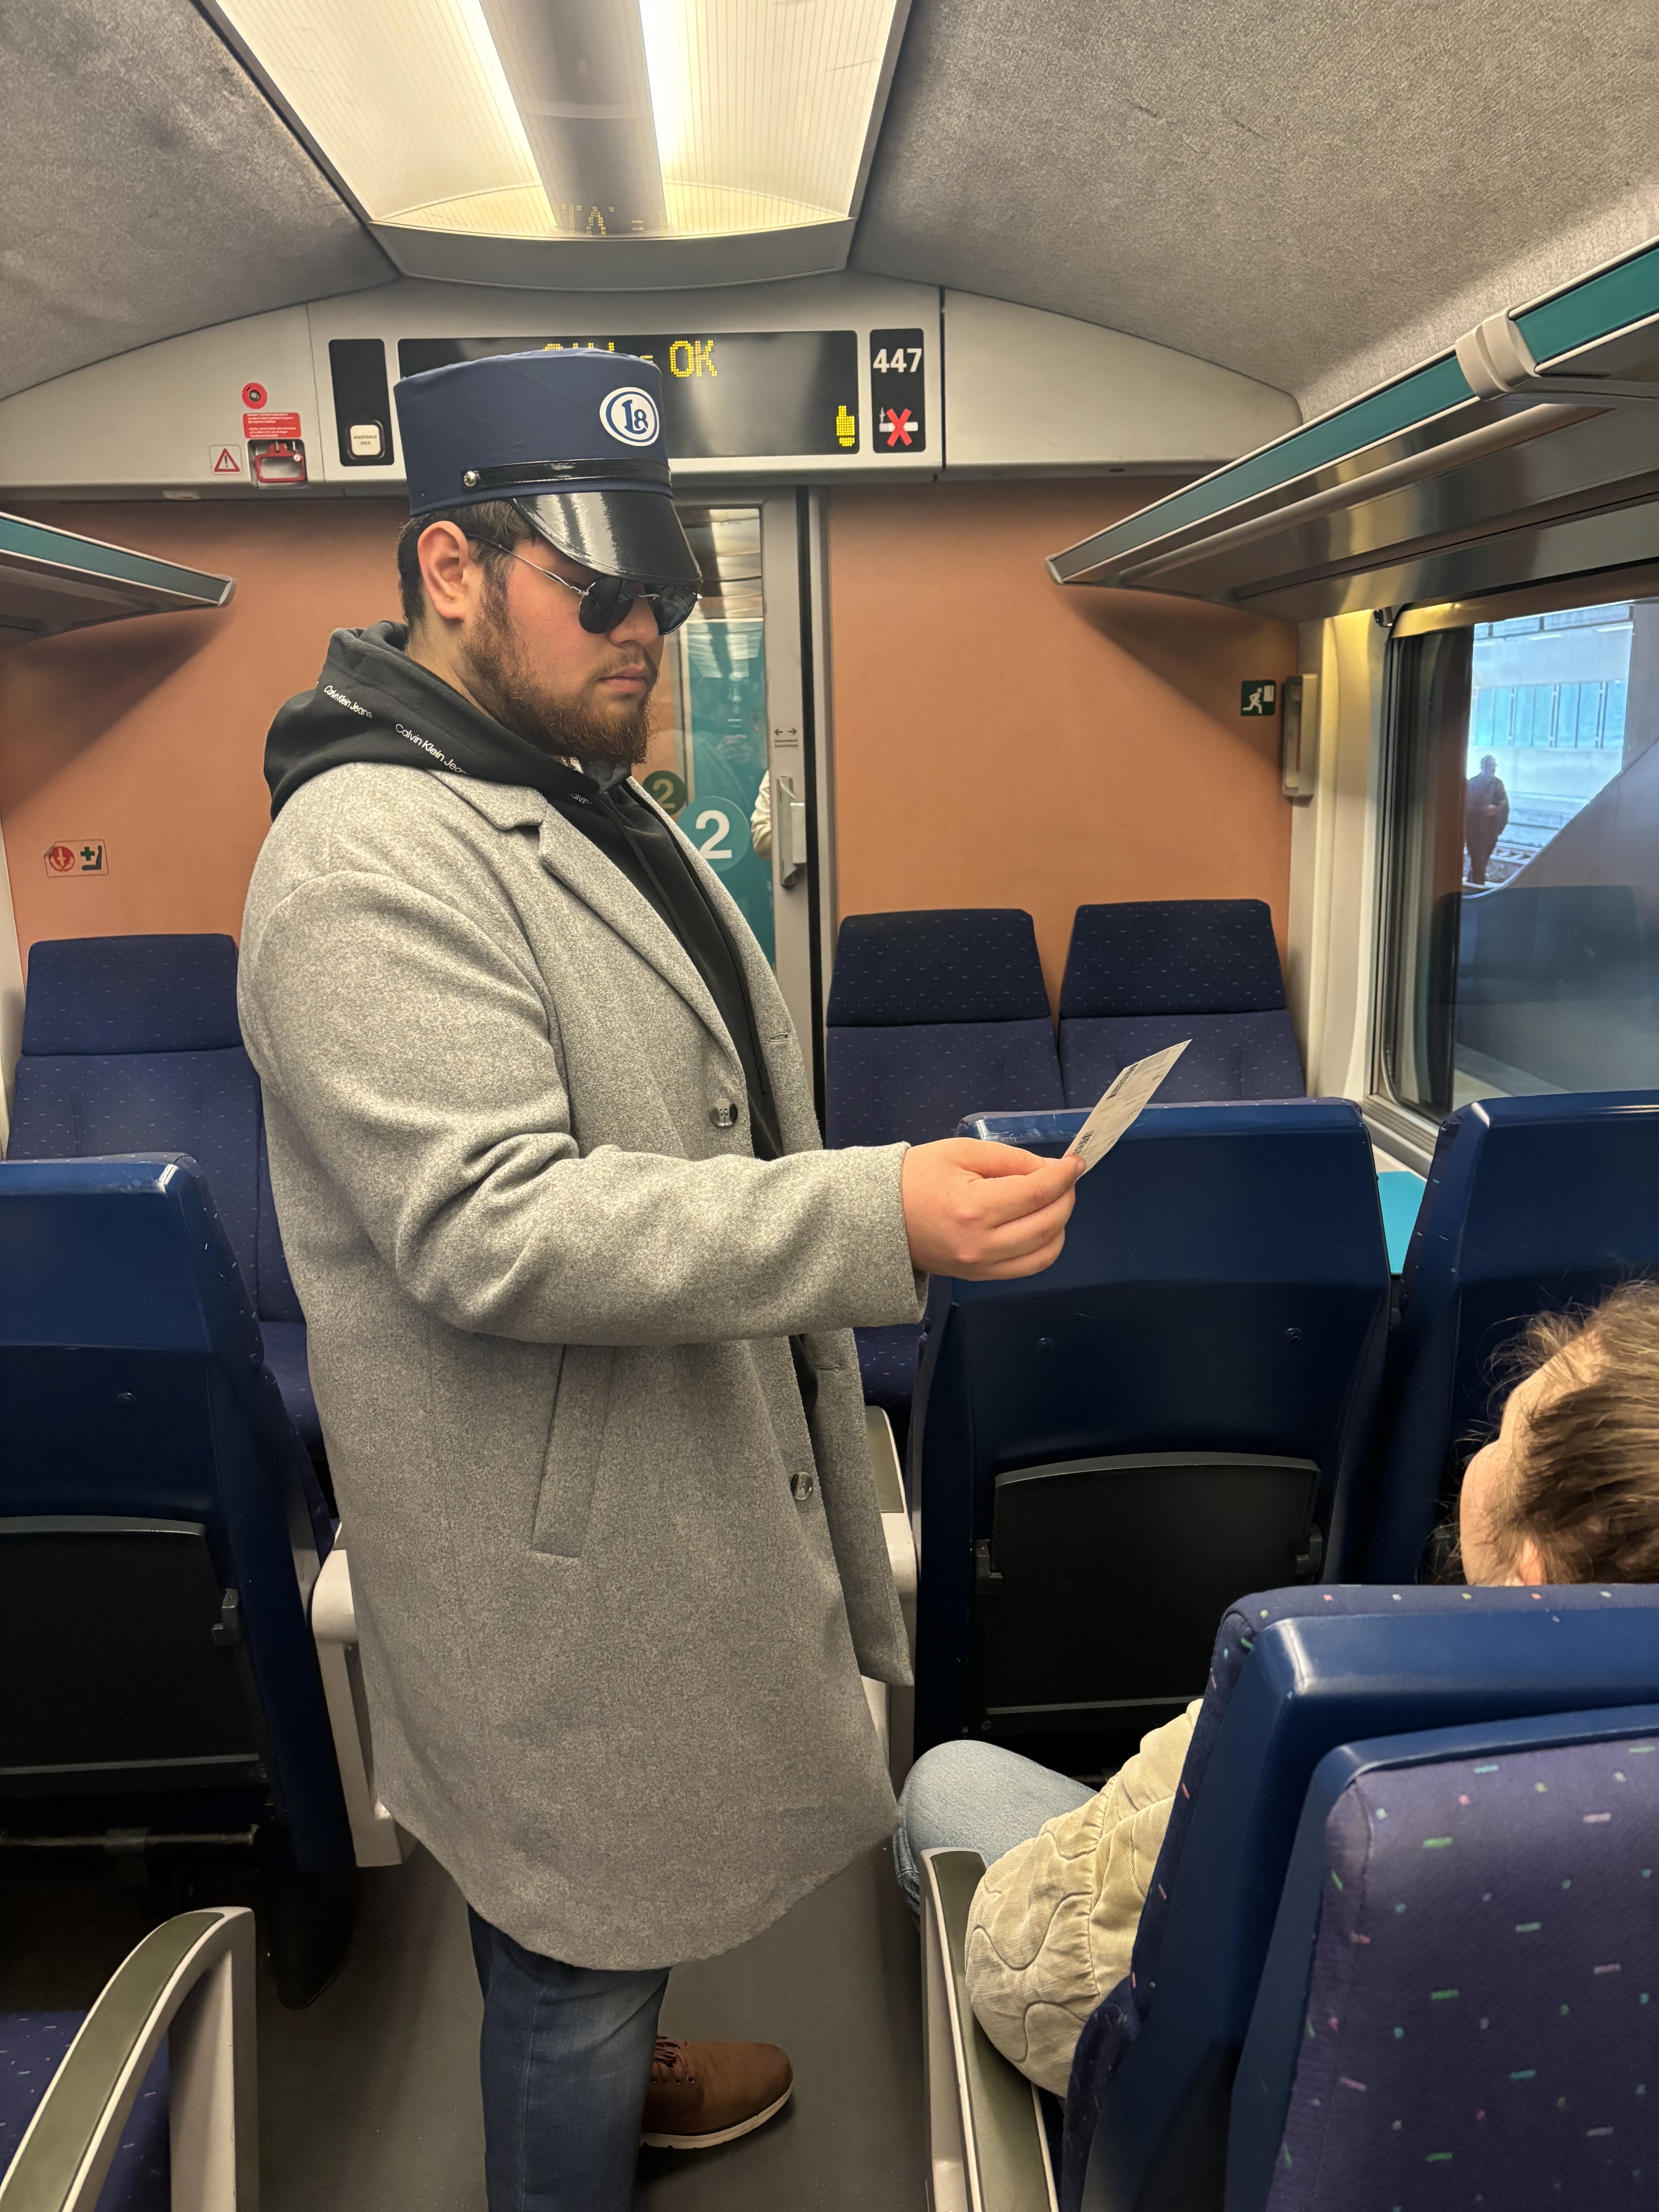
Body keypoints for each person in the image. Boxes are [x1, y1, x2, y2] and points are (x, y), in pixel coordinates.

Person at [237, 346, 1081, 2210]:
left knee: (590, 1889)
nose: (646, 634)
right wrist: (879, 1221)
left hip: (641, 1476)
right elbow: (492, 1223)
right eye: (599, 593)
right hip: (549, 1538)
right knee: (568, 1941)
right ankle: (576, 2136)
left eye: (664, 594)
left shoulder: (559, 785)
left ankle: (623, 2065)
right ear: (449, 569)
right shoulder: (366, 855)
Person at [895, 1279, 1659, 2097]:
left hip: (1231, 2132)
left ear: (1534, 1579)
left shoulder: (1313, 1699)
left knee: (951, 1782)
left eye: (1505, 1436)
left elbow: (1032, 1981)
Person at [1464, 750, 1510, 885]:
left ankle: (1474, 878)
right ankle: (1478, 882)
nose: (1492, 769)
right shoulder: (1472, 783)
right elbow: (1467, 806)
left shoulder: (1498, 784)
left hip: (1491, 831)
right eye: (1490, 766)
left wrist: (1497, 811)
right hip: (1475, 830)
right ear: (1483, 767)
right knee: (1478, 859)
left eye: (1494, 767)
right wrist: (1485, 810)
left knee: (1483, 859)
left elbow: (1504, 804)